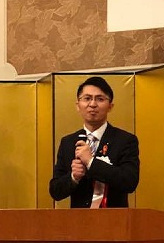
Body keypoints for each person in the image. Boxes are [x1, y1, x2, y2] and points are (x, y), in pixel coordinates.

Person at [49, 76, 140, 208]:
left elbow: (129, 182)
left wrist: (91, 162)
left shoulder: (125, 140)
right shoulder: (68, 142)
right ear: (78, 105)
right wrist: (74, 177)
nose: (92, 104)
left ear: (110, 106)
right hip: (78, 219)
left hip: (115, 218)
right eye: (87, 98)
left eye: (100, 99)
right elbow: (55, 191)